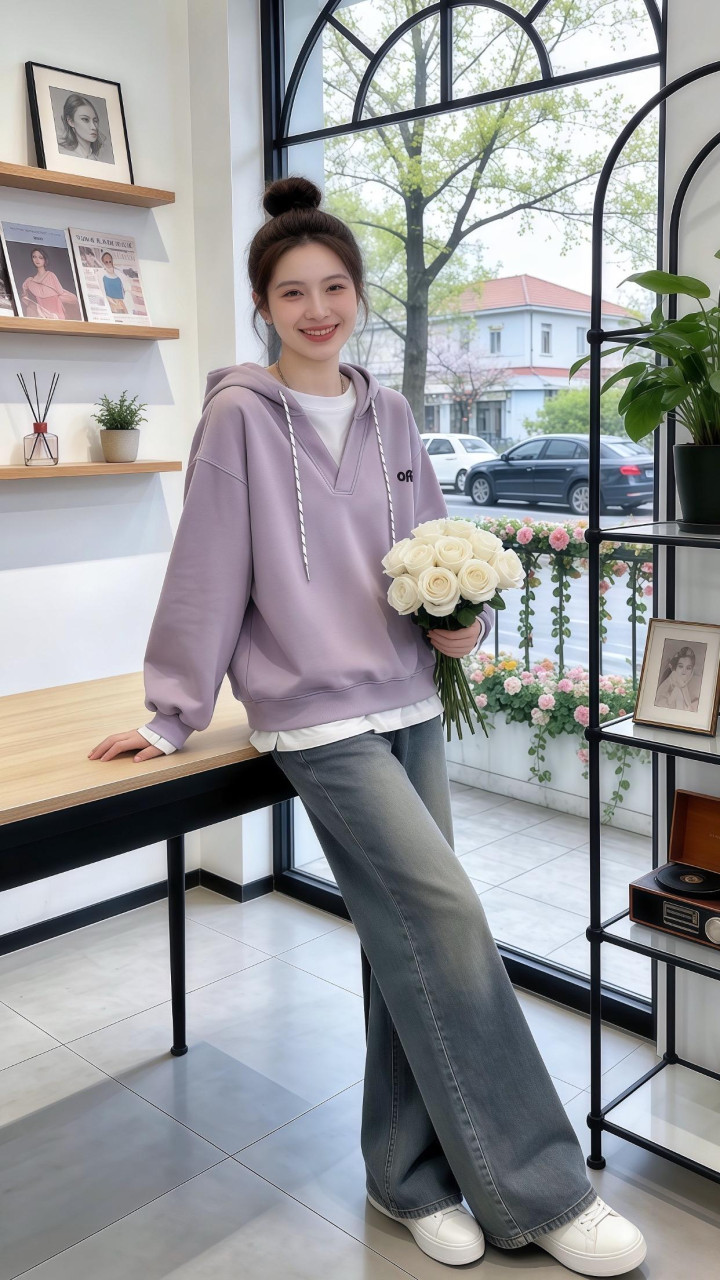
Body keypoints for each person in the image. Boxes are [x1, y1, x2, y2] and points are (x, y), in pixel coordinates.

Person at [88, 175, 647, 1275]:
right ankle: (544, 1189)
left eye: (335, 286)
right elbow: (206, 571)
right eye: (293, 291)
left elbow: (430, 547)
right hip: (314, 717)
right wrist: (171, 713)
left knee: (407, 941)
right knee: (448, 917)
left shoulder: (391, 414)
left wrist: (459, 622)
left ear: (358, 293)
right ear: (263, 304)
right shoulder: (238, 420)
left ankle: (405, 1175)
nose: (317, 309)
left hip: (410, 695)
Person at [20, 246, 79, 320]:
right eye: (34, 257)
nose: (37, 260)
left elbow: (60, 293)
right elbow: (26, 297)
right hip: (43, 313)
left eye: (40, 257)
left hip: (57, 311)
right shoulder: (30, 282)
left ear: (45, 259)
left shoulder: (51, 275)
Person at [57, 93, 107, 160]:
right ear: (71, 121)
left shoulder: (96, 159)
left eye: (95, 121)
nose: (94, 127)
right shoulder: (63, 155)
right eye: (85, 119)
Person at [655, 645, 700, 711]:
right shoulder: (674, 675)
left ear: (692, 670)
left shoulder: (686, 682)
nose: (684, 672)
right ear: (675, 667)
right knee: (677, 690)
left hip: (670, 705)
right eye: (680, 666)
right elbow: (684, 690)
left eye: (688, 668)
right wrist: (689, 706)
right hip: (661, 705)